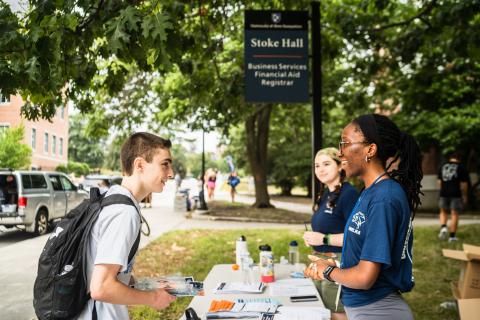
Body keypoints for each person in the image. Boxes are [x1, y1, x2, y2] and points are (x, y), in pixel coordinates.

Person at [304, 114, 423, 320]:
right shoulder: (370, 192)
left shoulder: (384, 198)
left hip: (378, 310)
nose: (340, 152)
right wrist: (338, 266)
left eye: (345, 144)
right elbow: (364, 257)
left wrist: (327, 272)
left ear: (370, 149)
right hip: (365, 308)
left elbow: (365, 277)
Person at [77, 132, 176, 319]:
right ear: (139, 165)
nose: (170, 173)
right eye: (165, 164)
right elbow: (101, 287)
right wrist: (153, 298)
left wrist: (143, 285)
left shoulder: (112, 198)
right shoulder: (124, 212)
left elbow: (102, 268)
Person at [303, 147, 358, 319]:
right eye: (317, 165)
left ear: (340, 165)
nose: (320, 169)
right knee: (323, 310)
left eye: (326, 164)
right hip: (320, 260)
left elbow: (357, 237)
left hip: (338, 262)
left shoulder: (349, 194)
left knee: (337, 313)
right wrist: (313, 239)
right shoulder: (326, 194)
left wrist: (323, 238)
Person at [437, 152, 469, 242]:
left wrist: (443, 190)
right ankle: (452, 237)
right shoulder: (461, 167)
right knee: (454, 214)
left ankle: (443, 227)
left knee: (442, 211)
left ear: (450, 158)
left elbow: (439, 182)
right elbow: (464, 184)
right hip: (455, 194)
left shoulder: (442, 166)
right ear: (459, 159)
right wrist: (465, 195)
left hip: (443, 193)